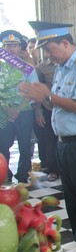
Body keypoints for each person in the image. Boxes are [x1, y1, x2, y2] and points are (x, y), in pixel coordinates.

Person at [19, 22, 76, 243]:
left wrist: (48, 96)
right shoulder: (61, 67)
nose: (48, 56)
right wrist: (42, 99)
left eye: (50, 50)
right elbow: (55, 105)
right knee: (73, 203)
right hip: (65, 143)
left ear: (65, 43)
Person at [0, 30, 38, 184]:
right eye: (7, 45)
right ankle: (5, 173)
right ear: (3, 47)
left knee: (25, 144)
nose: (11, 48)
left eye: (14, 45)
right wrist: (7, 108)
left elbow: (34, 89)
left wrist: (17, 108)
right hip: (3, 112)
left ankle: (22, 175)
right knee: (3, 144)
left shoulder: (27, 67)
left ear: (19, 47)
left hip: (24, 112)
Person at [33, 47, 58, 182]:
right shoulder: (41, 68)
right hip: (48, 108)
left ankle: (65, 168)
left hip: (66, 108)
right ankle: (52, 169)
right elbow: (36, 91)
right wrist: (38, 112)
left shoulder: (66, 65)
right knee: (50, 140)